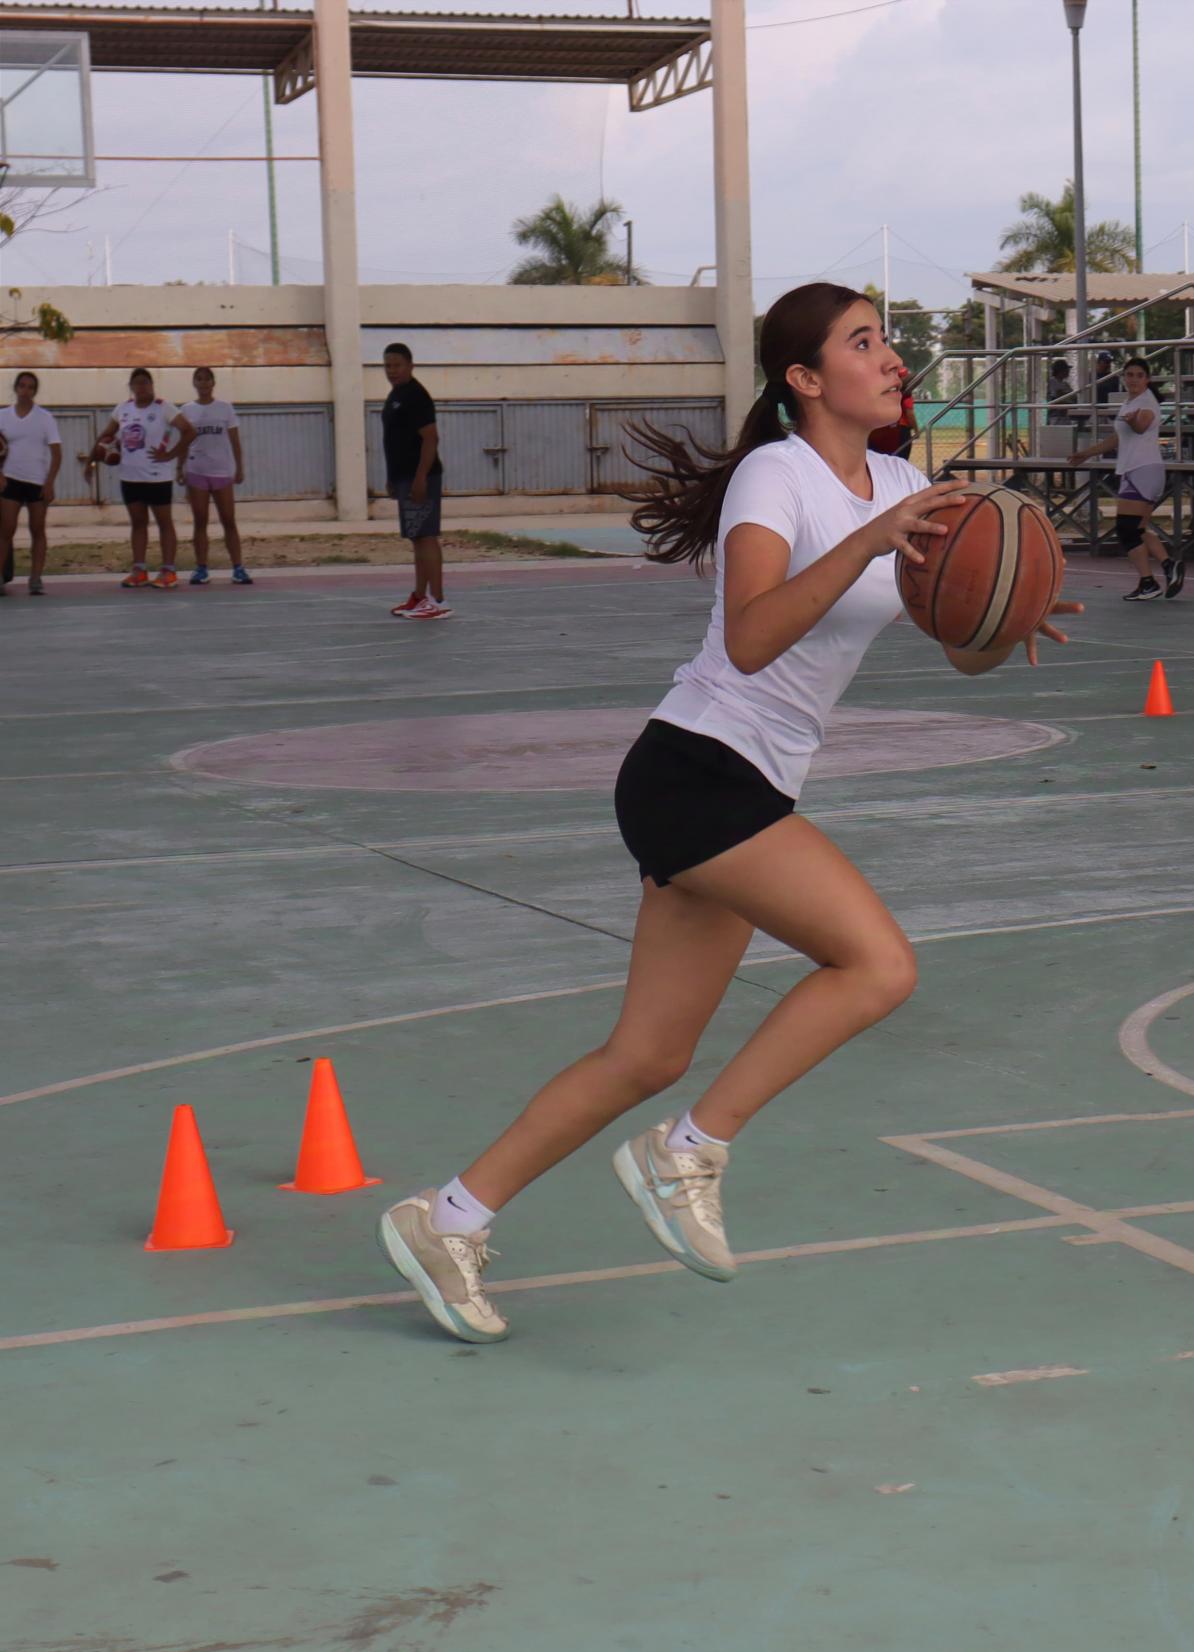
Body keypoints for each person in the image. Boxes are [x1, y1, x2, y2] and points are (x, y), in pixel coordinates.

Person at [374, 282, 1082, 1344]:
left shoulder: (899, 482)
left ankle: (448, 1216)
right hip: (694, 768)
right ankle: (689, 1149)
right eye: (863, 342)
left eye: (886, 341)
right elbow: (750, 635)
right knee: (877, 965)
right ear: (804, 380)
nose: (891, 359)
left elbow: (957, 642)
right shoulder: (777, 474)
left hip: (747, 783)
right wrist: (869, 539)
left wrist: (1005, 616)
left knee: (646, 1054)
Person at [1068, 356, 1184, 601]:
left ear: (1147, 379)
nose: (1133, 379)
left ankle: (1148, 583)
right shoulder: (1129, 403)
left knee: (1126, 528)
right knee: (1137, 529)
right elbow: (1116, 439)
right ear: (1123, 378)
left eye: (1139, 375)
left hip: (1143, 470)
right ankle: (1168, 566)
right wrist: (1085, 454)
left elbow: (1142, 425)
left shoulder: (1146, 403)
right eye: (1129, 375)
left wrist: (1135, 422)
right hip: (1137, 470)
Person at [87, 368, 190, 590]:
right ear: (131, 387)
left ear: (152, 385)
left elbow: (189, 431)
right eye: (137, 383)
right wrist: (93, 460)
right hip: (130, 476)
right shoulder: (123, 409)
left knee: (164, 523)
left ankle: (169, 571)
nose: (142, 386)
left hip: (157, 477)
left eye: (146, 382)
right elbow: (106, 435)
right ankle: (139, 570)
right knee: (138, 524)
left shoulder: (164, 407)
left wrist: (170, 454)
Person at [381, 343, 448, 620]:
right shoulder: (396, 395)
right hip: (404, 477)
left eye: (397, 365)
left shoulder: (416, 396)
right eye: (387, 366)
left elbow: (431, 438)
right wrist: (393, 478)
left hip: (422, 477)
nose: (392, 370)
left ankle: (438, 599)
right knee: (416, 537)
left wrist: (421, 477)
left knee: (427, 536)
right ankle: (420, 596)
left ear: (410, 365)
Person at [179, 366, 251, 586]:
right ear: (194, 383)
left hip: (221, 471)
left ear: (213, 382)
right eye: (198, 379)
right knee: (200, 521)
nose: (203, 383)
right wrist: (179, 468)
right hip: (196, 471)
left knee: (228, 520)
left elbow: (235, 441)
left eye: (206, 379)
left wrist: (239, 467)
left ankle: (238, 567)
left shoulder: (225, 408)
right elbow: (183, 441)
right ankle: (201, 568)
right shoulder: (187, 410)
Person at [0, 371, 62, 597]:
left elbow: (56, 453)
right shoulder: (3, 416)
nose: (25, 390)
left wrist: (50, 482)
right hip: (10, 480)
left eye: (30, 387)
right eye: (22, 386)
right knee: (6, 531)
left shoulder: (45, 418)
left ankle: (35, 579)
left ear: (35, 391)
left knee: (38, 530)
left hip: (37, 481)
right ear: (15, 388)